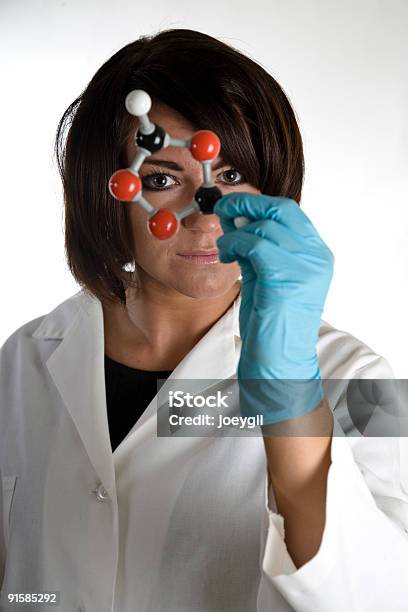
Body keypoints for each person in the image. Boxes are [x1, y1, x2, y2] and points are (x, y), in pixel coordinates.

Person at [0, 28, 407, 612]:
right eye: (162, 180)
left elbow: (385, 596)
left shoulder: (366, 380)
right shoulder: (21, 361)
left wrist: (292, 398)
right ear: (103, 191)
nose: (206, 213)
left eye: (232, 175)